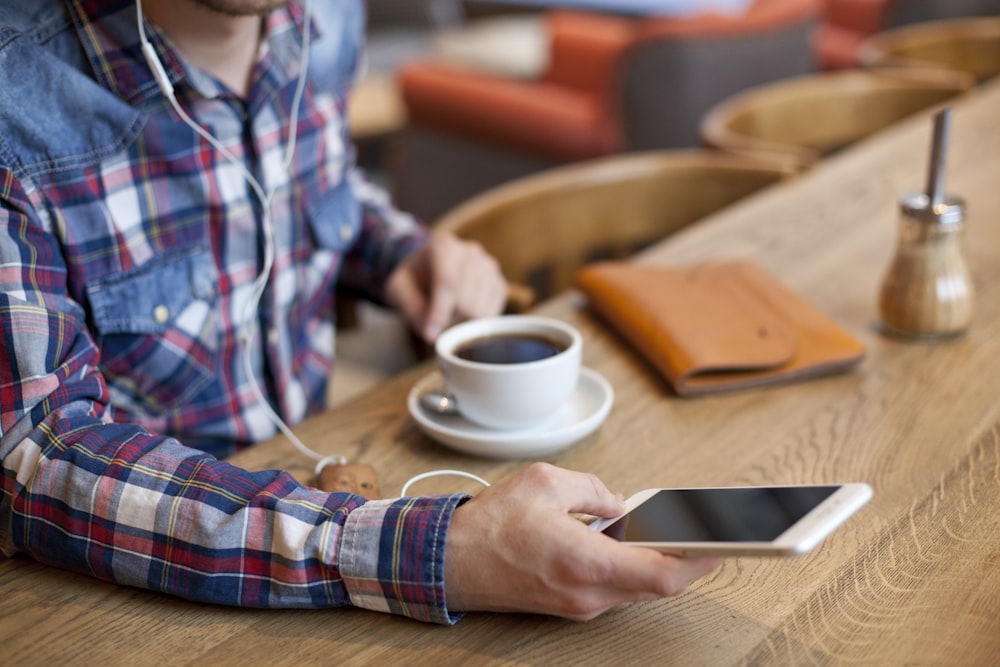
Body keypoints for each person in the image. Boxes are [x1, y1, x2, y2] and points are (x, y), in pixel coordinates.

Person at [0, 0, 720, 624]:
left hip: (329, 476)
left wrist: (398, 250)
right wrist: (434, 552)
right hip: (122, 593)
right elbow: (30, 455)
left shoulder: (331, 16)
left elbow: (317, 183)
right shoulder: (15, 104)